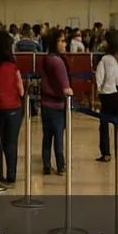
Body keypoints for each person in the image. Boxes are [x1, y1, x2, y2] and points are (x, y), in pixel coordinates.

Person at [0, 28, 24, 185]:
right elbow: (20, 90)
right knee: (11, 143)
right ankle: (12, 176)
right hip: (14, 108)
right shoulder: (13, 67)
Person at [95, 31, 118, 164]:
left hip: (107, 94)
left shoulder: (105, 59)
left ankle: (106, 153)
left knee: (104, 125)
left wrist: (100, 89)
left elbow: (99, 76)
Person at [39, 29, 73, 175]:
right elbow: (65, 87)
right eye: (62, 41)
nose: (64, 43)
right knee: (58, 136)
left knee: (47, 136)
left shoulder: (46, 59)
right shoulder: (58, 62)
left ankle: (46, 164)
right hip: (57, 105)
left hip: (45, 103)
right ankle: (61, 165)